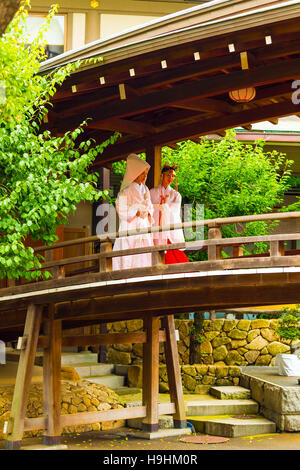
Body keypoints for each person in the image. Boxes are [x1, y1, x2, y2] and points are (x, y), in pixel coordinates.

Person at [112, 153, 154, 270]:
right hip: (131, 224)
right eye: (142, 174)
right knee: (130, 249)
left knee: (144, 248)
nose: (145, 176)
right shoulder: (126, 191)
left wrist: (148, 211)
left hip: (143, 223)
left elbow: (150, 205)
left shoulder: (145, 189)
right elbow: (121, 206)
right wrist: (136, 211)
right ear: (135, 174)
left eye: (146, 174)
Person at [150, 164, 189, 264]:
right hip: (155, 225)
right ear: (162, 176)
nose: (170, 178)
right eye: (168, 175)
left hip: (167, 226)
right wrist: (157, 208)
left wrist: (163, 208)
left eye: (172, 176)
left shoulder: (176, 195)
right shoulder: (152, 192)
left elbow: (174, 211)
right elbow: (148, 207)